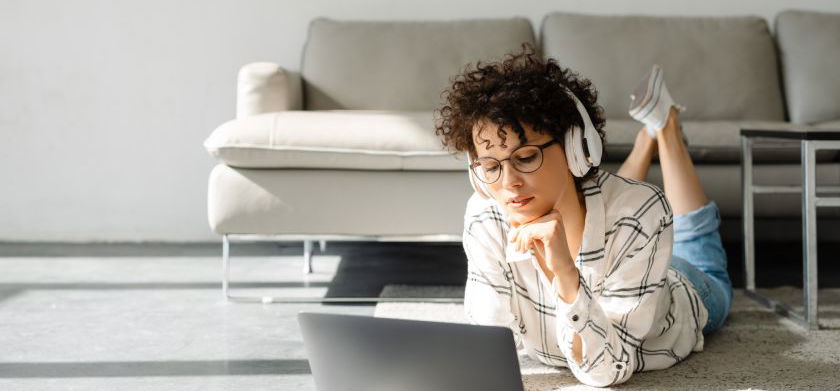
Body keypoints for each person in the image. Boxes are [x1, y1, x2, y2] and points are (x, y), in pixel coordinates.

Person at [433, 43, 734, 387]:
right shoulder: (486, 214)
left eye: (526, 157)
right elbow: (489, 343)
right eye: (490, 166)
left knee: (697, 247)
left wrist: (563, 272)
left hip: (678, 288)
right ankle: (646, 137)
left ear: (577, 149)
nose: (509, 182)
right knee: (613, 201)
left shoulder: (642, 211)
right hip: (621, 246)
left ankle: (665, 125)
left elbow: (606, 369)